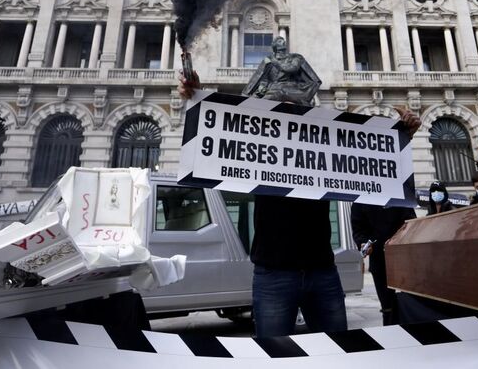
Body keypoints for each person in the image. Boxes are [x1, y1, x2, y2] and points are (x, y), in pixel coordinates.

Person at [178, 36, 421, 337]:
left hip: (322, 270)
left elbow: (373, 163)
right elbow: (210, 140)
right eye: (282, 105)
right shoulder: (257, 147)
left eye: (296, 106)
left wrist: (403, 136)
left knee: (337, 354)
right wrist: (196, 98)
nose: (289, 110)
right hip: (273, 273)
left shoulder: (326, 148)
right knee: (275, 354)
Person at [350, 202, 416, 325]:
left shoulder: (398, 197)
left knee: (410, 301)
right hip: (379, 259)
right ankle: (389, 328)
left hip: (403, 256)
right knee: (387, 307)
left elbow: (411, 221)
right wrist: (363, 243)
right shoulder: (361, 200)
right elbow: (359, 229)